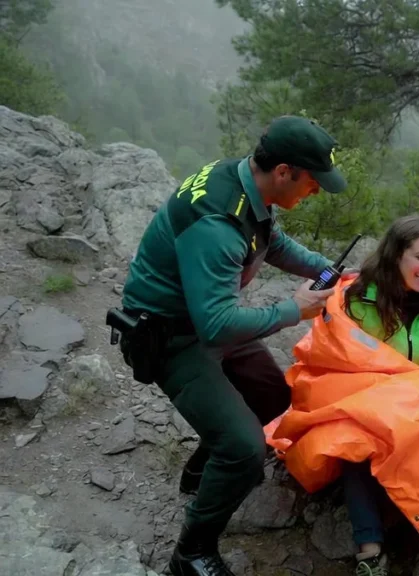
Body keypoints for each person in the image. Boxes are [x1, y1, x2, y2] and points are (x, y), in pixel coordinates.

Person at [113, 115, 348, 576]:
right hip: (171, 337)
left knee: (272, 397)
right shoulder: (217, 223)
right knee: (244, 448)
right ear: (283, 172)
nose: (316, 191)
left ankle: (202, 470)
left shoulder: (242, 182)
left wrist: (326, 270)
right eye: (313, 182)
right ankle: (192, 554)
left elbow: (270, 241)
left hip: (201, 318)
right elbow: (218, 325)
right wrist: (293, 309)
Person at [337, 214, 419, 576]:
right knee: (355, 446)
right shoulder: (359, 300)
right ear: (396, 255)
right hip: (372, 401)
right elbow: (343, 362)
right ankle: (370, 553)